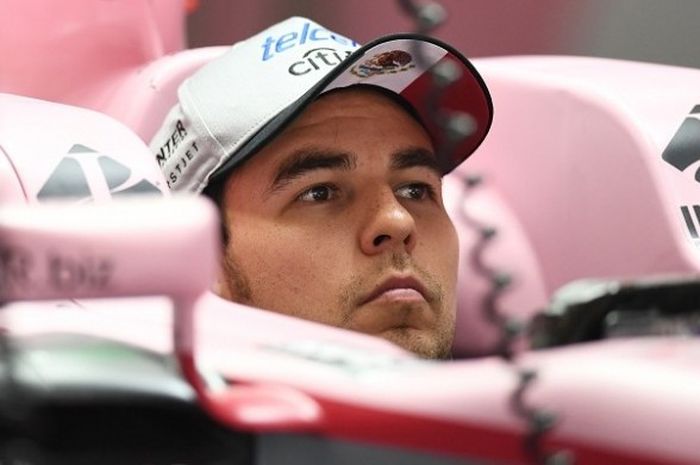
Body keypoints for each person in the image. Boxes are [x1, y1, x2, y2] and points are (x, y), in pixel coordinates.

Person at [150, 17, 493, 359]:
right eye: (320, 193)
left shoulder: (526, 398)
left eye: (415, 190)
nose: (398, 222)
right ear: (202, 259)